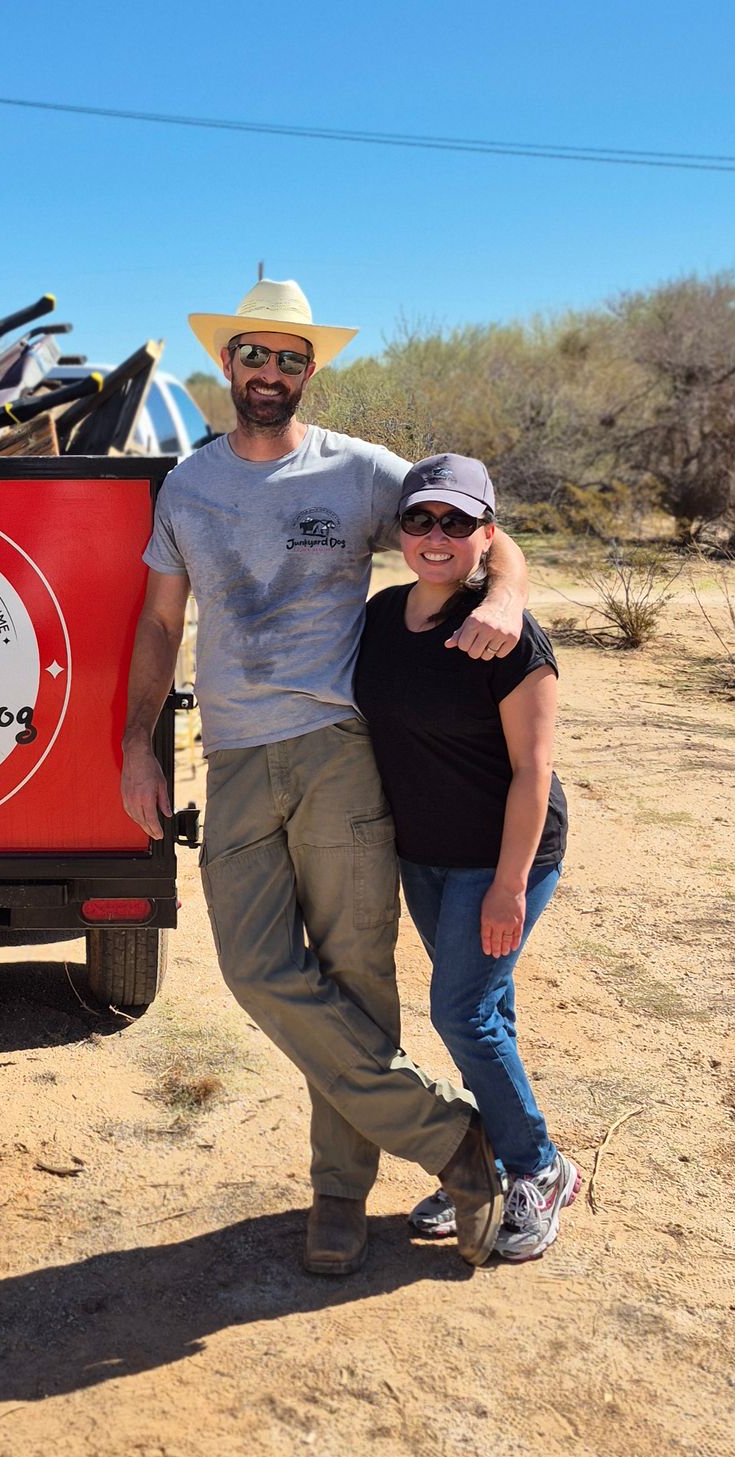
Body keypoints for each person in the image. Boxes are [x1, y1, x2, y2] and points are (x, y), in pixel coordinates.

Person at [120, 278, 533, 1272]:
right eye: (255, 356)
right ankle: (451, 1136)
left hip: (343, 751)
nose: (270, 374)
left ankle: (339, 1195)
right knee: (256, 967)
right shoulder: (187, 485)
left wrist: (509, 593)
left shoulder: (359, 472)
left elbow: (477, 524)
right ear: (227, 366)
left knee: (355, 974)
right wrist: (138, 740)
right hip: (235, 755)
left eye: (290, 360)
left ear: (312, 370)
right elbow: (161, 623)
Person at [353, 453, 579, 1260]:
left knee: (461, 1011)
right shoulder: (380, 618)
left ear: (487, 533)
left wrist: (511, 887)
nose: (436, 536)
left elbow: (532, 770)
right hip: (425, 855)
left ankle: (540, 1168)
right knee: (489, 1011)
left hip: (503, 854)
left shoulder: (510, 638)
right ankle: (484, 1170)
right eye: (420, 520)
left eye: (457, 522)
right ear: (400, 533)